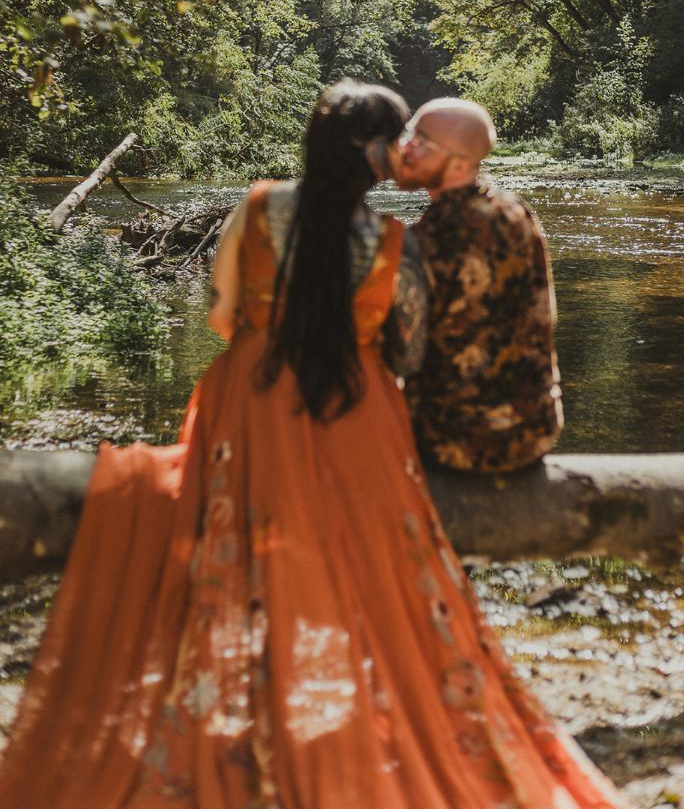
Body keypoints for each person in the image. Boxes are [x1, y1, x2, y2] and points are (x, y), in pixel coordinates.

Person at [0, 81, 623, 809]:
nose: (406, 151)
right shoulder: (402, 241)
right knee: (382, 562)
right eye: (401, 139)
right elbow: (408, 352)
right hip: (388, 414)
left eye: (419, 141)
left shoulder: (263, 206)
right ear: (374, 157)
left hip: (256, 397)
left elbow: (224, 318)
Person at [394, 97, 563, 473]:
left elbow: (401, 358)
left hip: (453, 444)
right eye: (409, 135)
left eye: (419, 141)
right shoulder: (518, 214)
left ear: (457, 161)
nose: (405, 149)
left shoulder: (421, 242)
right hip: (534, 432)